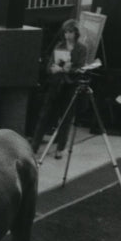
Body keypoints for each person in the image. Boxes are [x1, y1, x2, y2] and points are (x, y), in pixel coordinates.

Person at [31, 19, 89, 159]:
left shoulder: (81, 49)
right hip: (55, 85)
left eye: (70, 32)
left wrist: (65, 70)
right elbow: (49, 66)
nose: (67, 35)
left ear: (76, 33)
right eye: (65, 32)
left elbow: (80, 68)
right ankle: (34, 147)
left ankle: (61, 148)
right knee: (44, 115)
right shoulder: (59, 46)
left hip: (70, 86)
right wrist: (55, 69)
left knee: (66, 118)